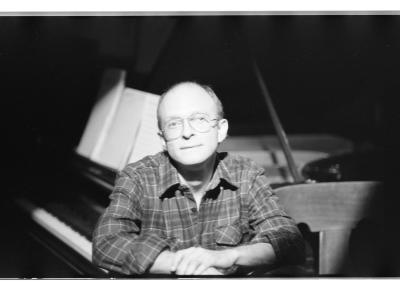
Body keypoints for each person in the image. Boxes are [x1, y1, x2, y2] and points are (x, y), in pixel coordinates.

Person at [92, 81, 305, 276]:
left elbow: (289, 240)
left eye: (199, 119)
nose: (187, 133)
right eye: (174, 124)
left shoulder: (246, 174)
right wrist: (188, 266)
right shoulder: (137, 177)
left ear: (221, 130)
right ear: (163, 139)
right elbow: (106, 243)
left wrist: (225, 257)